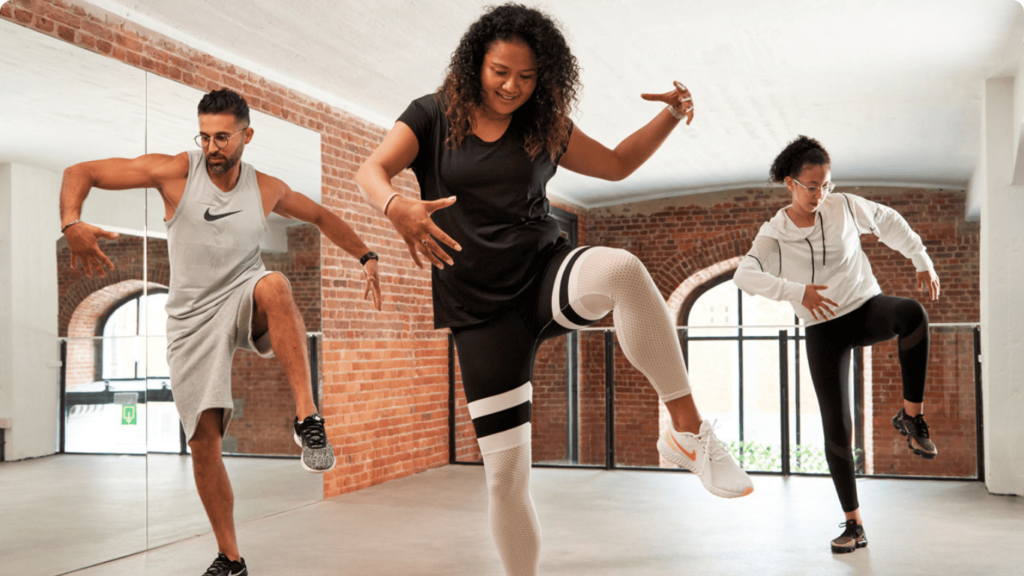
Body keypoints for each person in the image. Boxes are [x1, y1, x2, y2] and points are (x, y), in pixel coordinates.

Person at [356, 4, 752, 575]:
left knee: (621, 269)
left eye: (527, 75)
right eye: (500, 71)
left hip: (544, 271)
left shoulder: (544, 122)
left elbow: (615, 165)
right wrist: (396, 206)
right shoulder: (431, 114)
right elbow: (371, 169)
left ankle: (686, 432)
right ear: (475, 63)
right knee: (508, 479)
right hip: (479, 312)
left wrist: (671, 116)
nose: (512, 86)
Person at [59, 88, 382, 576]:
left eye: (223, 137)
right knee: (203, 441)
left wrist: (366, 255)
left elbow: (318, 215)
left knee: (274, 284)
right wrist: (71, 222)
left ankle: (307, 417)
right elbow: (79, 172)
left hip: (243, 296)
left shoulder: (264, 187)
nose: (212, 147)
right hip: (190, 319)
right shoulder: (175, 171)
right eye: (205, 136)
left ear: (246, 136)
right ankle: (231, 559)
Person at [733, 135, 940, 554]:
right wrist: (795, 291)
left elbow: (888, 222)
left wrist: (921, 259)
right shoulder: (774, 232)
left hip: (865, 307)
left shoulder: (843, 205)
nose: (820, 194)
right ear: (790, 183)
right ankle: (854, 523)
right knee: (837, 427)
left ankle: (911, 417)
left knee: (912, 314)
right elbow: (744, 275)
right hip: (822, 328)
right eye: (812, 186)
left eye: (826, 184)